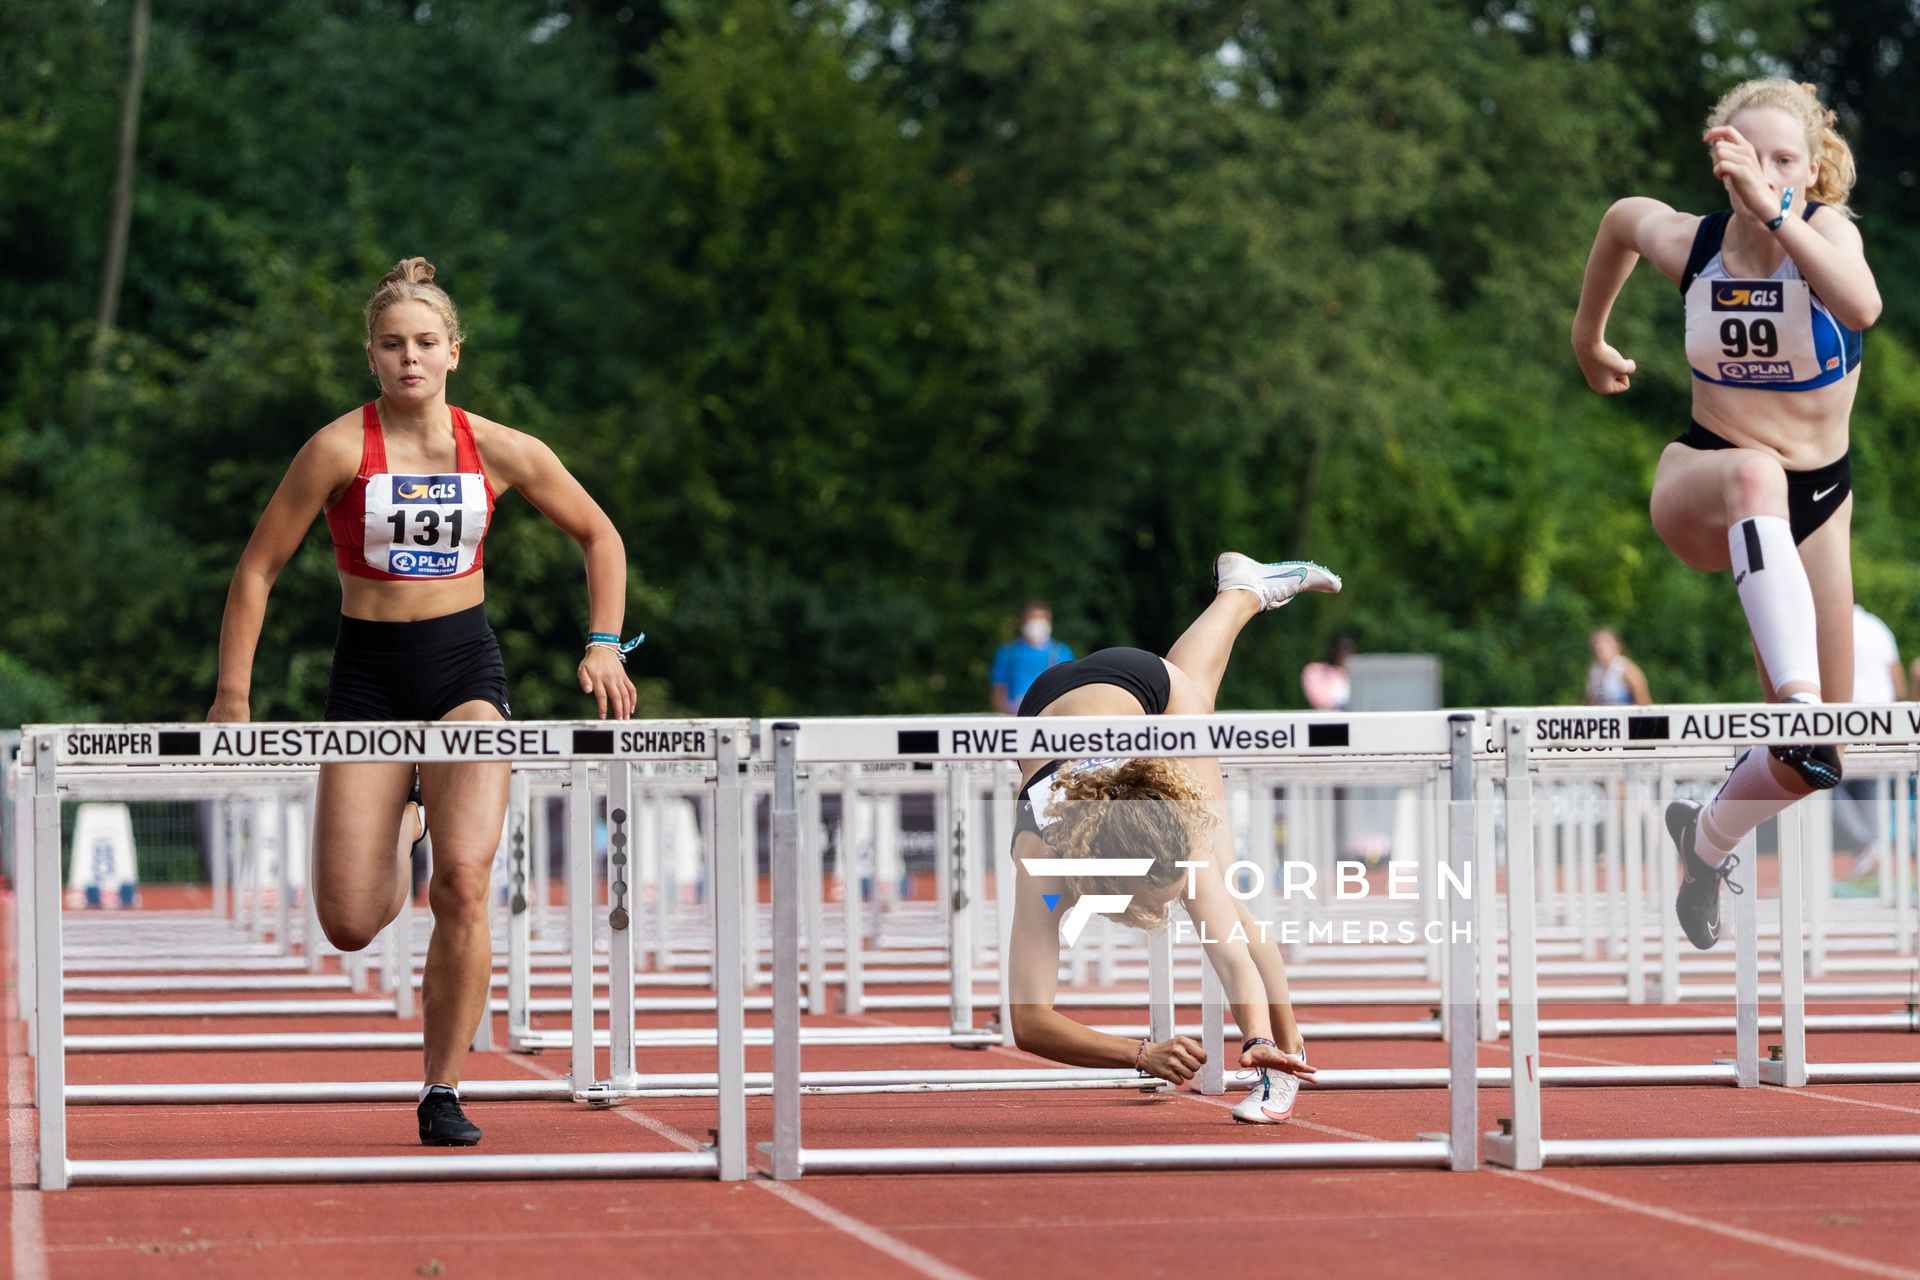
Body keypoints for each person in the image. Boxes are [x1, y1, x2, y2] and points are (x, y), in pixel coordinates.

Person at [209, 258, 638, 1145]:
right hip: (368, 680)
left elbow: (600, 534)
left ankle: (442, 1089)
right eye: (393, 344)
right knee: (350, 922)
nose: (410, 358)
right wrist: (232, 698)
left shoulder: (502, 449)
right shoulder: (337, 449)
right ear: (370, 355)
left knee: (465, 884)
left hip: (463, 677)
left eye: (426, 343)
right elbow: (256, 570)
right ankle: (409, 820)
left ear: (454, 353)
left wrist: (604, 640)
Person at [1571, 79, 1880, 950]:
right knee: (1753, 473)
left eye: (1787, 160)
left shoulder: (1827, 235)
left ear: (1810, 171)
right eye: (1751, 155)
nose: (1767, 172)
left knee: (1816, 760)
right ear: (1721, 158)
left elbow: (1862, 306)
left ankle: (1704, 842)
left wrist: (1779, 215)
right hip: (1705, 479)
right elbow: (1622, 221)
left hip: (1818, 505)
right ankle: (1798, 698)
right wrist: (1588, 337)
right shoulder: (1695, 246)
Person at [1008, 552, 1337, 1123]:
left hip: (1139, 693)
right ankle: (1243, 590)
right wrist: (1140, 1054)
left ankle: (1289, 1053)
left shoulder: (1173, 822)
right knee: (1195, 680)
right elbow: (1028, 1021)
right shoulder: (1039, 854)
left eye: (1172, 893)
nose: (1168, 909)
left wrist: (1257, 1037)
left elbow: (1229, 949)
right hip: (1061, 698)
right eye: (1159, 899)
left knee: (1227, 906)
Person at [1834, 604, 1905, 877]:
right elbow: (1896, 680)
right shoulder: (1878, 627)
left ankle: (1868, 843)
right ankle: (1872, 846)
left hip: (1846, 719)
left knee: (1823, 779)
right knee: (1869, 789)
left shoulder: (1827, 624)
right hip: (1881, 720)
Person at [990, 600, 1074, 715]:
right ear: (1023, 621)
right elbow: (998, 692)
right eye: (1033, 618)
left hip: (1048, 717)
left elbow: (1069, 691)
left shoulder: (1061, 652)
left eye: (1042, 618)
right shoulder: (1007, 652)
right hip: (1014, 717)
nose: (1037, 623)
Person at [1584, 627, 1651, 706]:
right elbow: (1591, 701)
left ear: (1617, 646)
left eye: (1606, 642)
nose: (1600, 646)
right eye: (1596, 643)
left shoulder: (1627, 669)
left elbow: (1644, 703)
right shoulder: (1594, 672)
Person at [1301, 633, 1355, 710]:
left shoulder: (1357, 674)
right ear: (1333, 650)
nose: (1346, 654)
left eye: (1349, 649)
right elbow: (1320, 701)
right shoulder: (1315, 671)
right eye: (1343, 649)